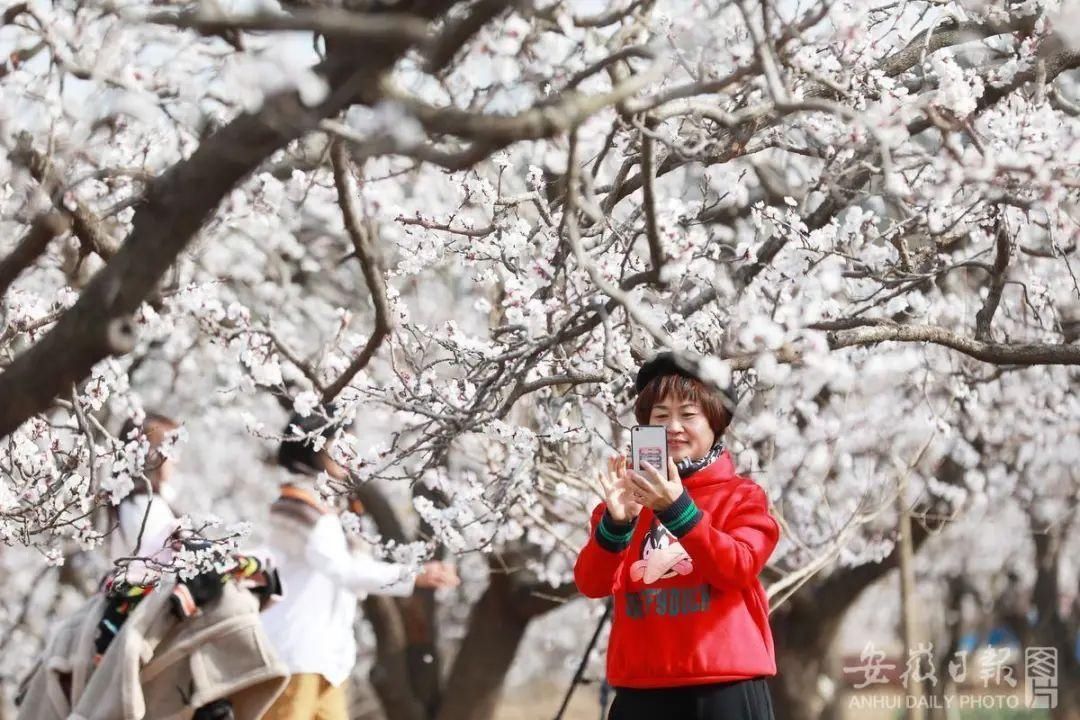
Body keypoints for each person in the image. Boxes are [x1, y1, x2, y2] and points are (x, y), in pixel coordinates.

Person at [574, 352, 780, 720]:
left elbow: (737, 568)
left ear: (716, 422)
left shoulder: (743, 496)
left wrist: (677, 509)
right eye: (660, 416)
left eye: (689, 415)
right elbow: (592, 583)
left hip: (726, 684)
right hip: (642, 688)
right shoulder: (628, 501)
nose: (674, 427)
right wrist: (616, 525)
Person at [260, 408, 460, 720]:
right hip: (296, 650)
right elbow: (342, 569)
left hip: (327, 657)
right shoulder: (298, 505)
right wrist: (412, 574)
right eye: (340, 446)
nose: (348, 455)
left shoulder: (331, 504)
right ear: (315, 444)